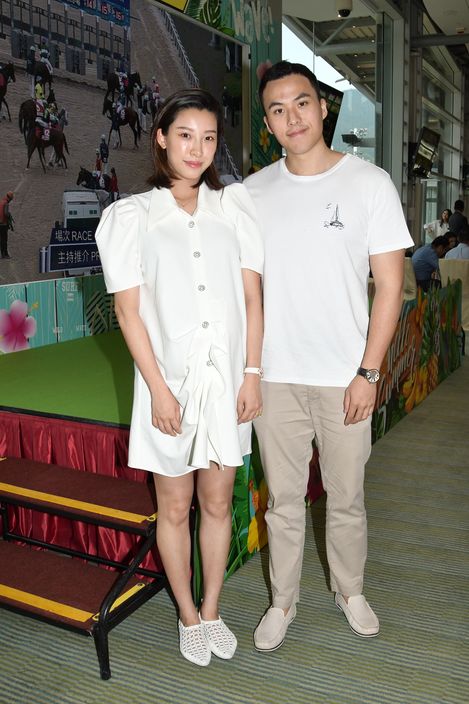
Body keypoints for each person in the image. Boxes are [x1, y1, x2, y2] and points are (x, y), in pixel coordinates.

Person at [244, 61, 414, 650]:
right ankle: (282, 602)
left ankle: (350, 590)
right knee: (283, 503)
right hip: (277, 378)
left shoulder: (369, 184)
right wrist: (251, 372)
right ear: (268, 123)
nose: (291, 117)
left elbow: (390, 286)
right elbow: (247, 293)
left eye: (301, 103)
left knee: (346, 499)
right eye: (277, 109)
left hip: (346, 378)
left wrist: (369, 371)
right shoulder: (252, 193)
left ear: (322, 108)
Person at [95, 88, 264, 667]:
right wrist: (159, 392)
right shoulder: (133, 217)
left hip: (228, 384)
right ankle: (187, 616)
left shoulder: (232, 208)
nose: (198, 149)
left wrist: (251, 374)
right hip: (166, 386)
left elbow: (252, 299)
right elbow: (128, 313)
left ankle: (212, 609)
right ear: (162, 138)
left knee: (217, 503)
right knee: (174, 507)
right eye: (186, 135)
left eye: (209, 138)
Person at [0, 191, 14, 259]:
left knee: (1, 239)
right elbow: (6, 213)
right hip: (3, 224)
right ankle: (5, 254)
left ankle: (2, 253)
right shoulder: (6, 203)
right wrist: (9, 215)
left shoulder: (1, 201)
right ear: (10, 198)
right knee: (4, 240)